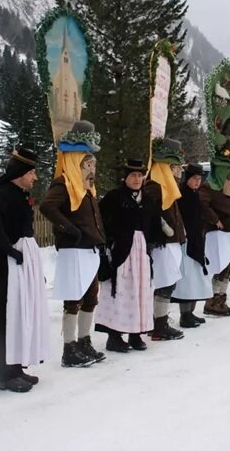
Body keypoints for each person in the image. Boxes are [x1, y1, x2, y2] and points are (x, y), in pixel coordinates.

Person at [39, 121, 106, 368]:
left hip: (89, 248)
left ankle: (84, 341)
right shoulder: (64, 183)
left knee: (91, 297)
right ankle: (69, 349)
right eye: (88, 164)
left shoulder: (85, 187)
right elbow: (47, 206)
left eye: (93, 165)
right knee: (73, 298)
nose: (92, 169)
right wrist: (69, 228)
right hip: (74, 249)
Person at [0, 148, 49, 393]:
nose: (35, 177)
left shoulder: (20, 194)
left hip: (23, 262)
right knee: (8, 312)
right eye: (32, 172)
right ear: (20, 173)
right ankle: (5, 373)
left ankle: (17, 366)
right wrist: (9, 250)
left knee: (22, 311)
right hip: (8, 265)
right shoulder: (4, 194)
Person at [96, 159, 161, 352]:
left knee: (140, 290)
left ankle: (136, 333)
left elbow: (154, 222)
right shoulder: (114, 197)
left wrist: (152, 242)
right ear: (125, 177)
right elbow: (103, 221)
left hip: (141, 253)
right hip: (122, 250)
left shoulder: (147, 199)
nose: (137, 179)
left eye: (140, 175)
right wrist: (112, 241)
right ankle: (114, 336)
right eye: (133, 175)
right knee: (121, 290)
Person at [143, 138, 186, 341]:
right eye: (174, 167)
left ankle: (158, 322)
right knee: (164, 283)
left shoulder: (168, 185)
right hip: (162, 243)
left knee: (168, 282)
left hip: (172, 241)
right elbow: (150, 212)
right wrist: (163, 226)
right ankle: (159, 324)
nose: (178, 172)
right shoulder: (154, 186)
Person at [200, 147, 230, 317]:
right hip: (217, 235)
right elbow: (202, 205)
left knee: (227, 269)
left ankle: (221, 299)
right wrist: (215, 219)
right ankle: (212, 301)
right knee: (218, 267)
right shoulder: (208, 188)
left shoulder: (226, 190)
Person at [172, 163, 212, 327]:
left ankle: (190, 312)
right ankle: (185, 314)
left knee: (196, 278)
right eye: (194, 178)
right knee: (187, 280)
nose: (197, 182)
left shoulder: (195, 195)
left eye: (199, 179)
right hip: (186, 241)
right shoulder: (182, 195)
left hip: (197, 240)